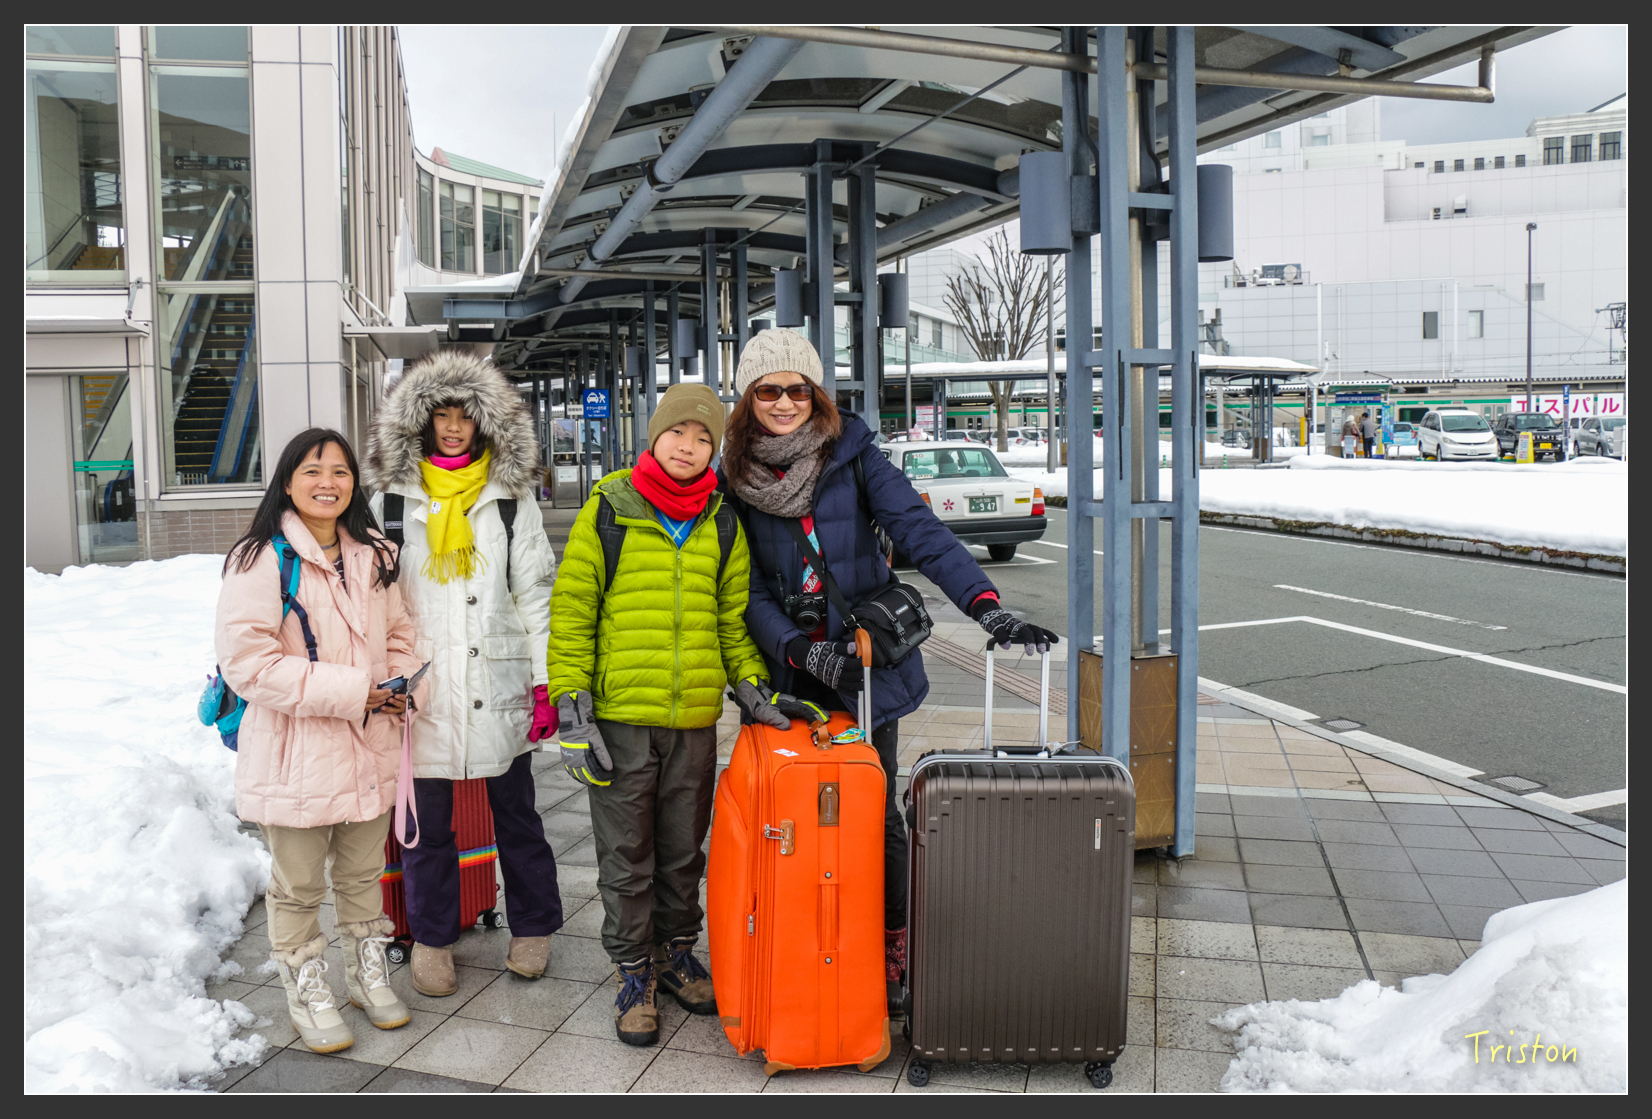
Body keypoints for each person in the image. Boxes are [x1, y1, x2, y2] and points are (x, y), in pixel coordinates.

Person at [717, 329, 1059, 1012]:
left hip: (868, 668)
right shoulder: (734, 481)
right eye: (768, 390)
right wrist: (800, 650)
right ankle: (811, 940)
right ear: (748, 399)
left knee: (874, 805)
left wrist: (986, 608)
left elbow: (920, 531)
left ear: (816, 394)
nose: (784, 402)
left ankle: (891, 941)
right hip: (794, 675)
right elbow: (744, 590)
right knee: (796, 811)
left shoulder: (854, 455)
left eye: (797, 389)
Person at [547, 382, 794, 1047]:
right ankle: (634, 970)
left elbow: (731, 620)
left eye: (703, 437)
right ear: (654, 436)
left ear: (715, 450)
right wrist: (571, 709)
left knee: (683, 851)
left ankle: (676, 951)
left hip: (692, 722)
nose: (688, 446)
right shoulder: (610, 508)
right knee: (627, 854)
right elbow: (572, 613)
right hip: (621, 720)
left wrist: (751, 686)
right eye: (678, 432)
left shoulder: (721, 520)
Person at [364, 352, 562, 998]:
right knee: (427, 830)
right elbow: (371, 600)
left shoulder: (509, 500)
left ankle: (533, 927)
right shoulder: (390, 502)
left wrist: (544, 682)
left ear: (484, 423)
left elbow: (534, 595)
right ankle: (432, 938)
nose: (453, 428)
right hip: (422, 687)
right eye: (441, 416)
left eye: (464, 416)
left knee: (519, 818)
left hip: (497, 681)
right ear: (421, 423)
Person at [215, 428, 418, 1053]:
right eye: (312, 470)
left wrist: (402, 682)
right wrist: (358, 690)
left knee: (363, 874)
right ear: (287, 481)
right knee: (299, 885)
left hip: (369, 746)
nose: (328, 483)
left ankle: (366, 975)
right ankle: (307, 990)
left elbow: (403, 633)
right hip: (293, 754)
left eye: (340, 471)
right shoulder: (259, 558)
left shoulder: (376, 555)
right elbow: (248, 665)